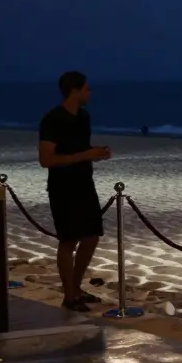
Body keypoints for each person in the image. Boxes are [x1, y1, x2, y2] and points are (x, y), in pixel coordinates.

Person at [38, 71, 111, 312]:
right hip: (63, 187)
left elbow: (78, 149)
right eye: (87, 89)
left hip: (84, 184)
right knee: (68, 240)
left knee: (91, 236)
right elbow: (46, 159)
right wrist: (84, 155)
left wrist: (94, 152)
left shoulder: (84, 116)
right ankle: (69, 296)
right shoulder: (53, 119)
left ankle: (76, 287)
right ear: (75, 90)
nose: (89, 93)